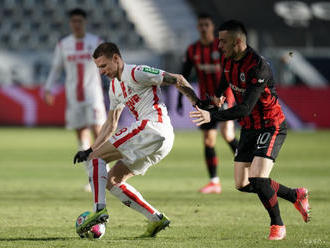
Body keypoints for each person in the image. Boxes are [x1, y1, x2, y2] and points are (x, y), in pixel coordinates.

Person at [190, 20, 310, 240]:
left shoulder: (258, 66)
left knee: (258, 177)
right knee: (243, 184)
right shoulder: (228, 60)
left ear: (237, 42)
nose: (219, 46)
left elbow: (245, 109)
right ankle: (295, 194)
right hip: (249, 128)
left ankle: (278, 226)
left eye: (223, 42)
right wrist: (212, 100)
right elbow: (223, 87)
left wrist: (212, 116)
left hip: (270, 125)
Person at [73, 42, 200, 237]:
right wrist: (91, 148)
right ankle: (156, 218)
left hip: (152, 127)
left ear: (116, 58)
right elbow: (111, 123)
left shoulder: (136, 72)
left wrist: (198, 103)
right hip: (160, 141)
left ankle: (99, 211)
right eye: (98, 67)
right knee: (113, 181)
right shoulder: (115, 87)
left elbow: (177, 79)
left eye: (104, 65)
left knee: (96, 161)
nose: (101, 71)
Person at [44, 8, 106, 191]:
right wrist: (48, 89)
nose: (76, 24)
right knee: (81, 133)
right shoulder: (64, 44)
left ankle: (105, 171)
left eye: (79, 21)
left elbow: (108, 66)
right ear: (70, 23)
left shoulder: (95, 42)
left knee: (99, 131)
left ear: (85, 22)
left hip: (93, 95)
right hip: (74, 97)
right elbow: (56, 68)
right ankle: (91, 176)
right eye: (74, 21)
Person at [177, 13, 238, 194]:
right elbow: (184, 75)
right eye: (201, 25)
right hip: (205, 100)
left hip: (225, 97)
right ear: (198, 27)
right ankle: (214, 182)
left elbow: (234, 69)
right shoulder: (193, 50)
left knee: (227, 134)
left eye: (206, 25)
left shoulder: (221, 47)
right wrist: (181, 98)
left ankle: (250, 164)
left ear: (212, 28)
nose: (203, 28)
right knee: (208, 140)